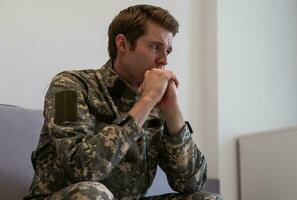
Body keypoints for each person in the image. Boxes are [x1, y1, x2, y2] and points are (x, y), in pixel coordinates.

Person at [24, 4, 222, 200]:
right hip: (71, 196)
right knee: (92, 194)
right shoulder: (68, 86)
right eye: (155, 47)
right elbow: (82, 168)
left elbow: (191, 183)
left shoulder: (158, 103)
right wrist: (146, 101)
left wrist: (172, 112)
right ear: (123, 44)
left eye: (168, 51)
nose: (164, 61)